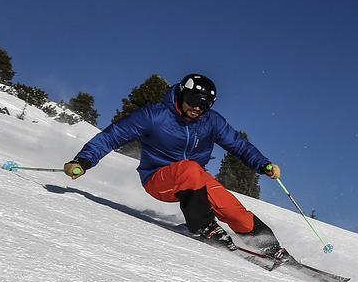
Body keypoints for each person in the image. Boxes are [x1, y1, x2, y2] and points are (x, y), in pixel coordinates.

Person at [63, 73, 288, 259]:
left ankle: (269, 245)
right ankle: (204, 226)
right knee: (189, 169)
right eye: (193, 100)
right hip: (158, 179)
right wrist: (83, 161)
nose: (198, 108)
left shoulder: (211, 122)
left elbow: (238, 145)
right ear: (181, 93)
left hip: (193, 180)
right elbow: (112, 137)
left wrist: (263, 165)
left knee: (230, 207)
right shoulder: (154, 115)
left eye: (205, 104)